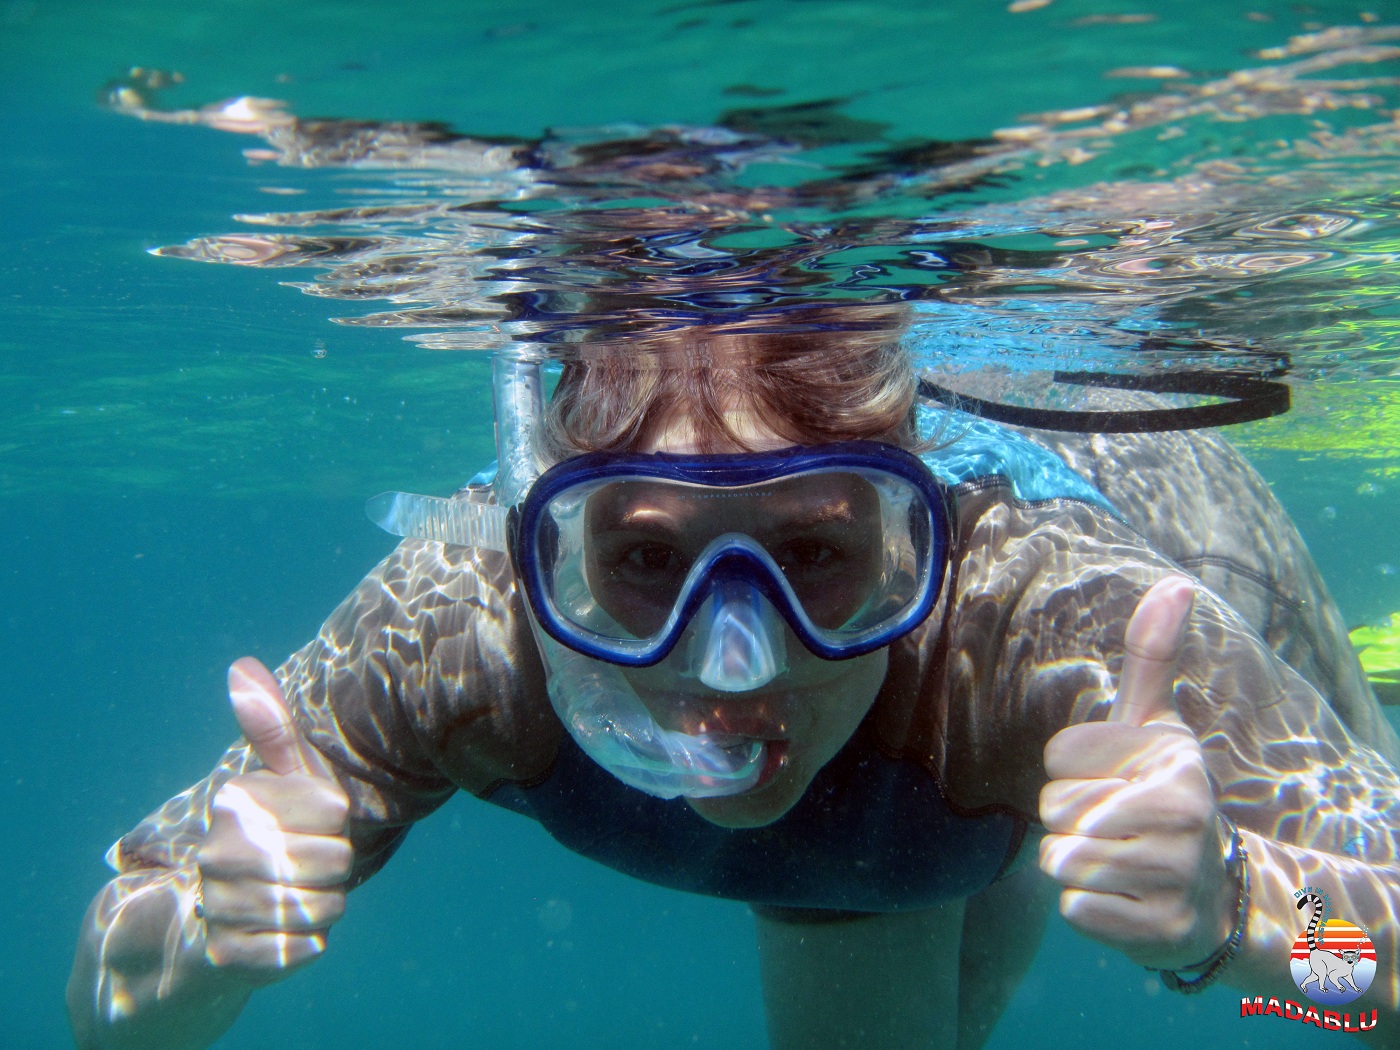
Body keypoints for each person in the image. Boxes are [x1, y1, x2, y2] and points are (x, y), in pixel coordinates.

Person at [68, 310, 1400, 1050]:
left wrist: (1240, 910)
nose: (730, 671)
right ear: (550, 544)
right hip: (897, 815)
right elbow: (107, 1003)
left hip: (1146, 571)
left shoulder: (1071, 625)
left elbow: (1381, 970)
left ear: (914, 535)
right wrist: (200, 961)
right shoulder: (461, 621)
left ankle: (1044, 830)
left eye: (817, 552)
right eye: (646, 561)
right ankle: (1015, 834)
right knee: (938, 850)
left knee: (1035, 811)